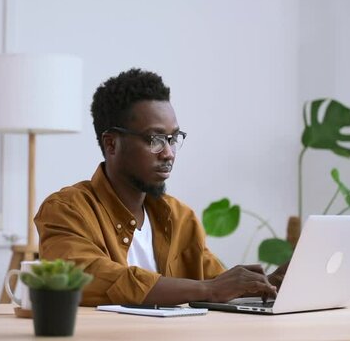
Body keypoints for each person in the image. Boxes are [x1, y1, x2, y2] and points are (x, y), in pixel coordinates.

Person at [35, 68, 285, 306]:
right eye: (154, 139)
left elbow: (219, 285)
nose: (168, 153)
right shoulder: (67, 210)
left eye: (173, 139)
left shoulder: (179, 217)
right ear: (111, 144)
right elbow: (86, 278)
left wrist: (269, 284)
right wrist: (208, 289)